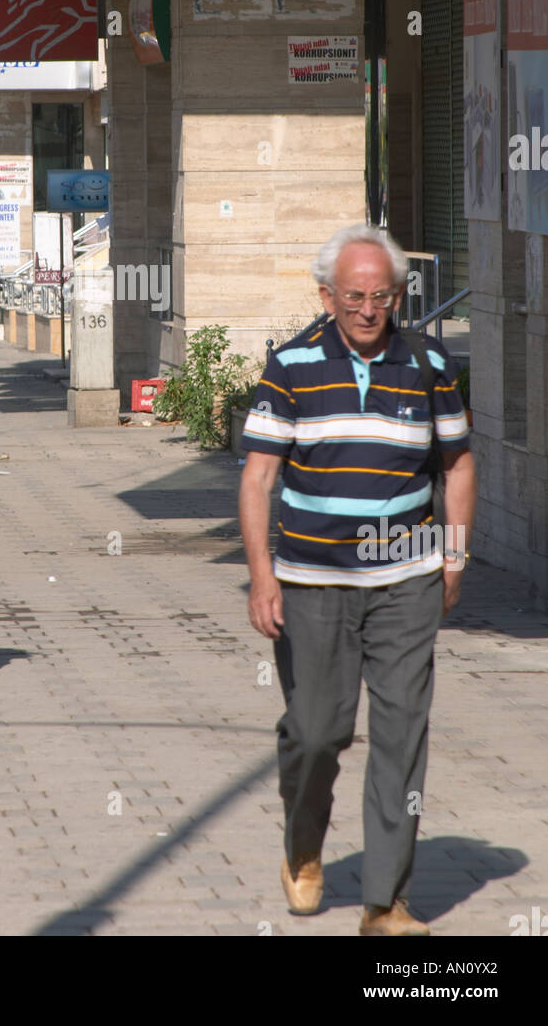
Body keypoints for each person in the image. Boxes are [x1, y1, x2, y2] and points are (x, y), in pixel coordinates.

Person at [238, 224, 476, 937]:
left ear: (397, 295)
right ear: (326, 296)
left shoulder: (430, 363)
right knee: (317, 733)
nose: (367, 310)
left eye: (379, 297)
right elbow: (257, 477)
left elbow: (457, 464)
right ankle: (303, 846)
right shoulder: (290, 366)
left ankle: (384, 902)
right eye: (352, 297)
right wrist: (260, 576)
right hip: (311, 580)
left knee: (401, 734)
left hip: (405, 579)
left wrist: (454, 556)